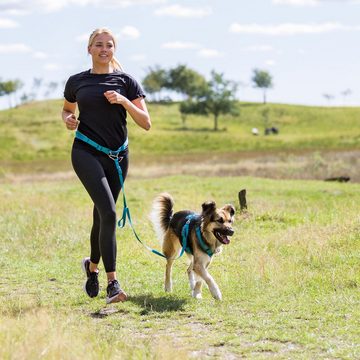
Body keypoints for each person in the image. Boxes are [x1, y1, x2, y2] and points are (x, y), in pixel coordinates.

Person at [61, 28, 151, 304]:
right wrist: (68, 119)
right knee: (109, 211)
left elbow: (146, 122)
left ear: (114, 50)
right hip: (86, 151)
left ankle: (92, 267)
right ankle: (113, 284)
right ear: (89, 49)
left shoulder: (127, 82)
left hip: (118, 156)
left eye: (109, 45)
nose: (103, 49)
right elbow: (67, 108)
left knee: (102, 215)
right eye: (98, 45)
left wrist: (124, 101)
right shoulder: (77, 81)